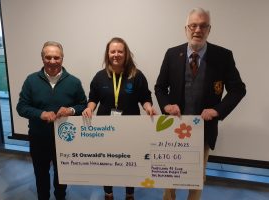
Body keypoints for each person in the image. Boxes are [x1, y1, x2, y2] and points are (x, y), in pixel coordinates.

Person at [154, 7, 246, 200]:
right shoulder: (172, 54)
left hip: (202, 130)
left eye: (203, 26)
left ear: (209, 29)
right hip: (173, 126)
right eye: (193, 25)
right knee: (170, 174)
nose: (198, 30)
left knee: (196, 176)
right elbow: (160, 87)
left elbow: (238, 89)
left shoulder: (223, 56)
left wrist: (217, 110)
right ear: (185, 29)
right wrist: (166, 106)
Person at [82, 37, 157, 200]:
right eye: (112, 51)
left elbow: (145, 96)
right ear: (108, 54)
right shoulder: (100, 76)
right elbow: (93, 97)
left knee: (130, 161)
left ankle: (129, 194)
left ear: (126, 54)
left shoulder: (136, 75)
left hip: (130, 128)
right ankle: (108, 193)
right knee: (107, 161)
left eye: (120, 51)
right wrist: (89, 108)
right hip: (105, 128)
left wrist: (148, 107)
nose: (116, 54)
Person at [16, 41, 87, 200]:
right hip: (38, 138)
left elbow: (83, 105)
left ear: (62, 58)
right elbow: (21, 107)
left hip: (65, 138)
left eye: (57, 57)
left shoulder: (74, 82)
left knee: (62, 174)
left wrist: (71, 110)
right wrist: (40, 114)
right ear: (42, 58)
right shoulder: (31, 80)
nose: (52, 61)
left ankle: (60, 196)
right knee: (40, 174)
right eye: (48, 57)